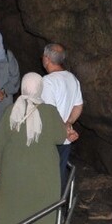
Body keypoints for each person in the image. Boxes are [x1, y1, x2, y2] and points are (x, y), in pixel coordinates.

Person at [0, 73, 68, 224]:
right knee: (42, 204)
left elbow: (1, 140)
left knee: (14, 206)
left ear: (23, 88)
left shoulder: (11, 110)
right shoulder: (50, 111)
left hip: (14, 168)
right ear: (40, 88)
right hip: (43, 168)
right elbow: (60, 137)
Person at [40, 43, 84, 186]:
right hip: (65, 138)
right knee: (60, 174)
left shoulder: (48, 81)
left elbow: (49, 111)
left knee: (47, 176)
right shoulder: (72, 78)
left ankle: (49, 207)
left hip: (50, 139)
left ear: (46, 59)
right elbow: (78, 105)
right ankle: (60, 207)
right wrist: (68, 123)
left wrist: (62, 127)